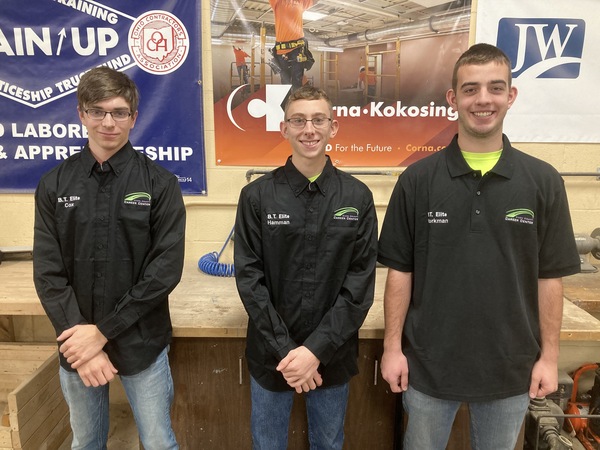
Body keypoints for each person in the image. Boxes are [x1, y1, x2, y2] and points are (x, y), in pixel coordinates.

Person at [378, 43, 580, 449]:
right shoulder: (417, 180)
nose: (483, 99)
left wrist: (549, 357)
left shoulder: (543, 181)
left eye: (495, 87)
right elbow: (400, 271)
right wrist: (392, 348)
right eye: (470, 89)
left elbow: (550, 278)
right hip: (429, 365)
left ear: (511, 95)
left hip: (511, 367)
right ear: (453, 98)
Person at [33, 66, 185, 450]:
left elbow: (164, 271)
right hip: (77, 343)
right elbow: (48, 272)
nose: (108, 122)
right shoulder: (54, 185)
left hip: (141, 340)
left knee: (158, 442)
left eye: (119, 112)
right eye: (97, 111)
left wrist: (101, 332)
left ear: (134, 117)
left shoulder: (160, 185)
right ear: (81, 114)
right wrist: (82, 341)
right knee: (86, 442)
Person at [234, 85, 378, 449]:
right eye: (298, 120)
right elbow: (250, 280)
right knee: (267, 444)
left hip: (332, 355)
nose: (309, 129)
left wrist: (315, 351)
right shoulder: (257, 196)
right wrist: (287, 351)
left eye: (318, 120)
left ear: (333, 127)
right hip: (272, 355)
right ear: (284, 128)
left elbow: (359, 285)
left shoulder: (357, 197)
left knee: (328, 444)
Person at [269, 0, 318, 92]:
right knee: (285, 82)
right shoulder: (277, 2)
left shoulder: (301, 2)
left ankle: (296, 99)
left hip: (297, 49)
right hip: (282, 50)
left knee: (297, 82)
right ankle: (288, 100)